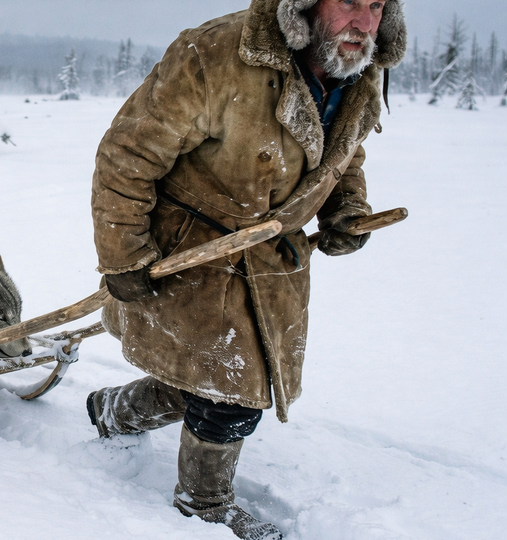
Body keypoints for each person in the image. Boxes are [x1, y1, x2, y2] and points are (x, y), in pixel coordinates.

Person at [87, 1, 406, 538]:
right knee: (229, 389)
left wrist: (345, 211)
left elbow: (342, 155)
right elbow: (127, 155)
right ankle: (203, 506)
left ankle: (112, 412)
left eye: (376, 6)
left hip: (273, 258)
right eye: (350, 1)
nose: (364, 21)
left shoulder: (359, 70)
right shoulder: (216, 53)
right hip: (191, 247)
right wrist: (122, 255)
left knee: (216, 380)